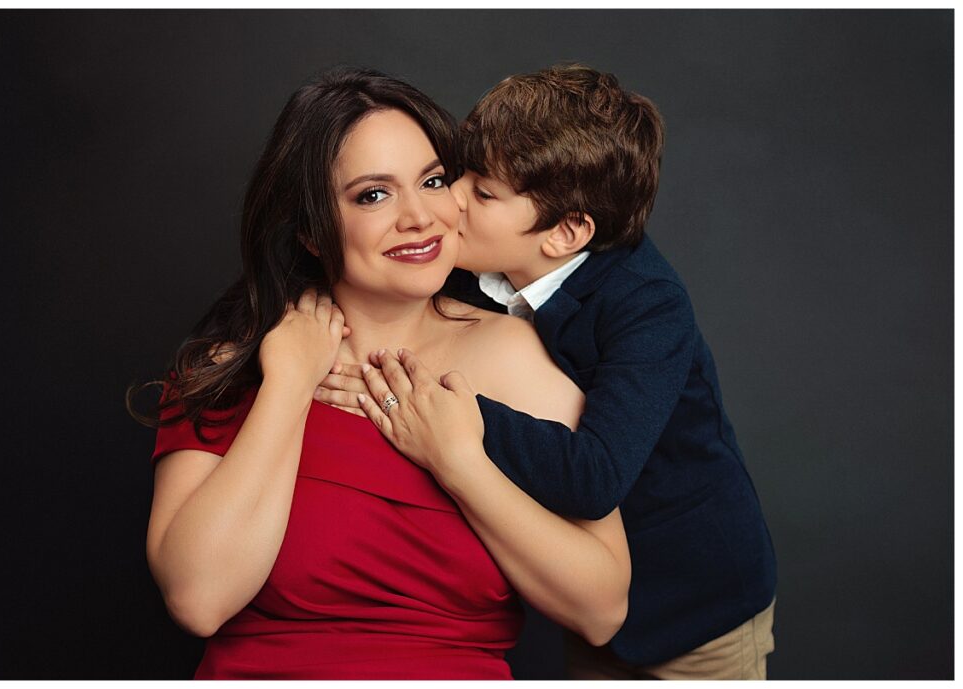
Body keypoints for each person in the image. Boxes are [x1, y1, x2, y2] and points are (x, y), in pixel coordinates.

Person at [130, 66, 629, 680]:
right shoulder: (231, 370)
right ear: (312, 231)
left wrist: (457, 461)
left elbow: (602, 609)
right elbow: (199, 600)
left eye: (434, 180)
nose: (419, 217)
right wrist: (288, 384)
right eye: (373, 194)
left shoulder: (516, 354)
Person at [321, 63, 777, 680]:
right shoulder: (475, 262)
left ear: (565, 233)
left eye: (482, 193)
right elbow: (373, 272)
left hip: (697, 603)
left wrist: (444, 415)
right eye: (460, 173)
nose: (448, 199)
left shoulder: (648, 305)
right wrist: (310, 311)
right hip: (573, 591)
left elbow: (595, 478)